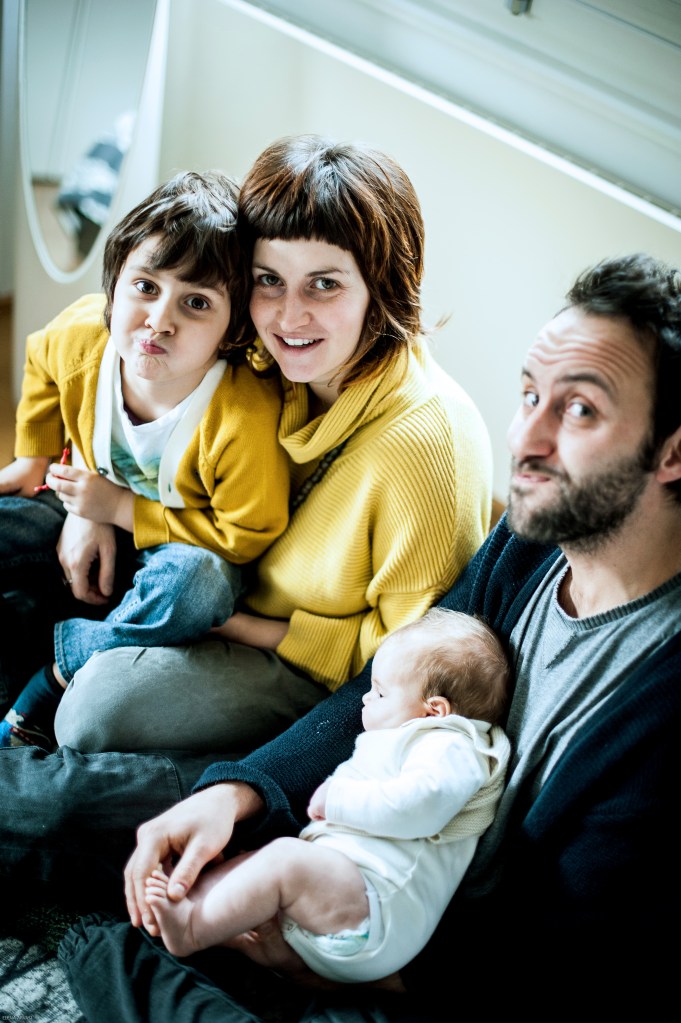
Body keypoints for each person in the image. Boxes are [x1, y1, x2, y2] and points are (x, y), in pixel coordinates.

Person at [57, 249, 679, 1022]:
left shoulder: (660, 698)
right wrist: (237, 794)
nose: (526, 437)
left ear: (672, 451)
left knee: (119, 955)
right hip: (356, 860)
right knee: (107, 825)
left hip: (429, 965)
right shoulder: (527, 546)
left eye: (578, 410)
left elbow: (564, 953)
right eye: (528, 394)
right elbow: (385, 684)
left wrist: (328, 962)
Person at [48, 134, 492, 755]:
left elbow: (407, 659)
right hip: (198, 568)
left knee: (95, 711)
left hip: (309, 667)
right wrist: (86, 503)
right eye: (269, 280)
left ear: (383, 285)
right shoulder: (255, 350)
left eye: (325, 285)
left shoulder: (428, 442)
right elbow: (114, 374)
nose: (289, 317)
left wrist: (233, 623)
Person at [0, 171, 290, 750]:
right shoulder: (82, 336)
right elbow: (41, 362)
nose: (160, 319)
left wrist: (119, 509)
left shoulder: (243, 416)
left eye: (196, 303)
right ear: (114, 285)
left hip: (180, 551)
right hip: (86, 506)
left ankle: (59, 667)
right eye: (145, 287)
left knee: (196, 585)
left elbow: (243, 538)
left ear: (233, 328)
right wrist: (33, 458)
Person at [142, 608, 510, 984]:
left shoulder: (452, 746)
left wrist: (337, 800)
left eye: (381, 692)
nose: (366, 699)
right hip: (348, 898)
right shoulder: (427, 739)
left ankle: (191, 929)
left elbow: (421, 807)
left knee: (283, 862)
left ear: (435, 711)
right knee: (258, 861)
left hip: (376, 911)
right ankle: (193, 898)